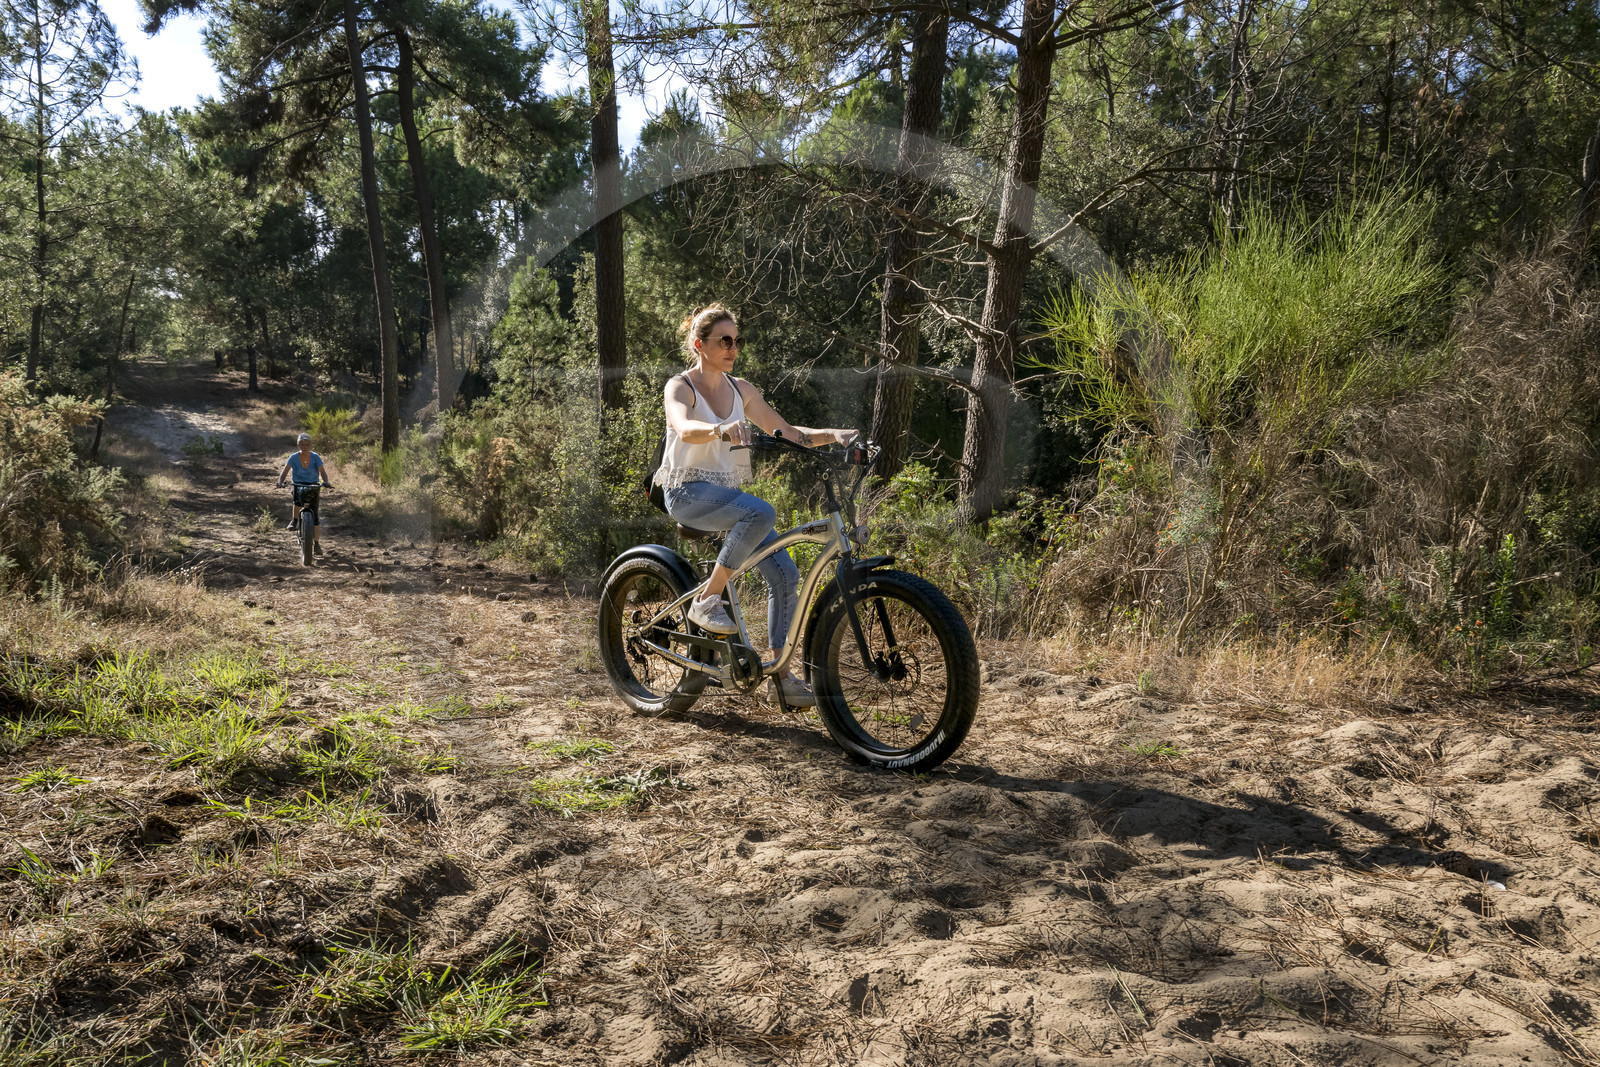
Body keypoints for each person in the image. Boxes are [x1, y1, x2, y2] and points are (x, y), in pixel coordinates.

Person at [656, 304, 858, 707]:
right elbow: (683, 427)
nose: (733, 347)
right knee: (761, 511)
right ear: (700, 345)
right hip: (687, 494)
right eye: (724, 340)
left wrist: (832, 435)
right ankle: (707, 599)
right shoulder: (681, 386)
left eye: (737, 340)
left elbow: (787, 432)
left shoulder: (741, 389)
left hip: (726, 497)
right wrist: (719, 428)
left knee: (785, 572)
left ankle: (780, 677)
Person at [276, 432, 333, 555]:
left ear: (310, 445)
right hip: (298, 483)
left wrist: (326, 482)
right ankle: (295, 520)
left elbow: (322, 472)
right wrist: (280, 482)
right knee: (297, 500)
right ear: (298, 445)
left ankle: (317, 544)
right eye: (302, 444)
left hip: (313, 484)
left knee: (315, 515)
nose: (305, 447)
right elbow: (284, 471)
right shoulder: (293, 457)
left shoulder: (316, 457)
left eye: (307, 444)